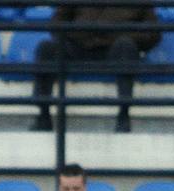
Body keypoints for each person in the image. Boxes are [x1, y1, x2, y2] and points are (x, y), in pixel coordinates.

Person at [32, 5, 160, 133]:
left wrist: (121, 34)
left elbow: (153, 33)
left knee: (126, 47)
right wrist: (79, 32)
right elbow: (56, 22)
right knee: (46, 49)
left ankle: (124, 116)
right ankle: (43, 115)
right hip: (79, 46)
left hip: (114, 48)